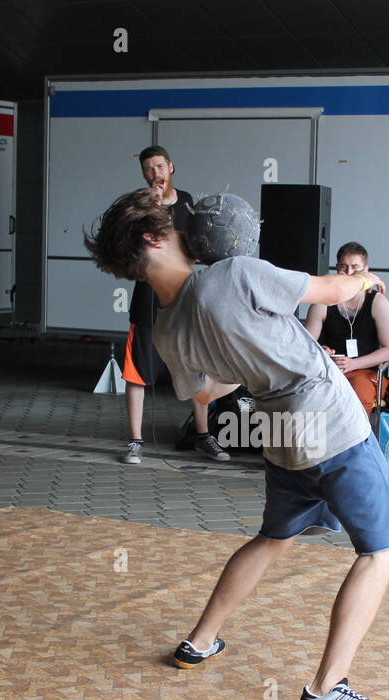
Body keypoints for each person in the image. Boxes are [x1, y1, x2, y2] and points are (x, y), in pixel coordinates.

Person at [84, 188, 389, 700]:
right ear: (153, 238)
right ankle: (329, 687)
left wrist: (251, 346)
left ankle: (200, 641)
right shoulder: (234, 272)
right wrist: (366, 280)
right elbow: (328, 289)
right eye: (170, 223)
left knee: (274, 537)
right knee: (383, 552)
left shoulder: (166, 329)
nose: (182, 229)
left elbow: (207, 392)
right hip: (328, 419)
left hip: (277, 428)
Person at [122, 146, 227, 464]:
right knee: (137, 372)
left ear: (171, 167)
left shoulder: (187, 202)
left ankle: (203, 435)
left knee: (198, 366)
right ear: (144, 174)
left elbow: (197, 245)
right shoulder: (139, 205)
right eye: (149, 169)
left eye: (159, 166)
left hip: (184, 296)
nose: (155, 173)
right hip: (147, 297)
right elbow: (129, 249)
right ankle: (135, 441)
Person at [304, 241, 389, 413]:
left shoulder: (377, 302)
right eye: (343, 267)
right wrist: (321, 351)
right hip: (330, 371)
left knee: (358, 391)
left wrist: (354, 364)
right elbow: (305, 345)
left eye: (355, 267)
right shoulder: (323, 303)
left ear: (366, 270)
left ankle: (359, 439)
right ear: (336, 269)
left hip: (366, 371)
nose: (349, 273)